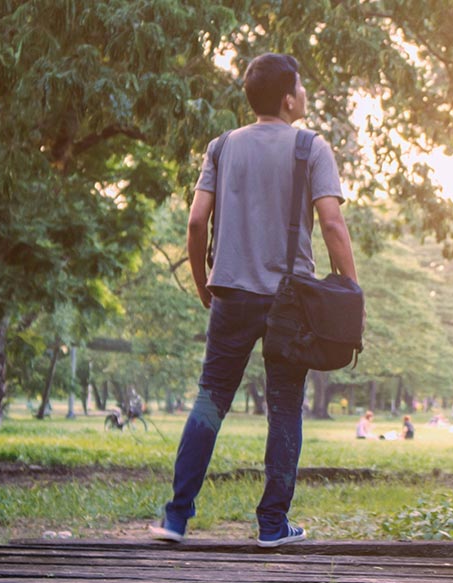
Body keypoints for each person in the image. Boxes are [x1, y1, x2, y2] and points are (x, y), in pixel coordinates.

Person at [152, 53, 358, 548]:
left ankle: (176, 518)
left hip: (232, 295)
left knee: (211, 399)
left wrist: (205, 284)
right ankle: (272, 525)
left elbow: (197, 222)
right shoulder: (311, 147)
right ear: (289, 98)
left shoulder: (221, 147)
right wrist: (350, 289)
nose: (305, 94)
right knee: (285, 407)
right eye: (302, 86)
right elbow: (331, 222)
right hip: (292, 301)